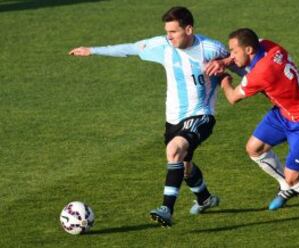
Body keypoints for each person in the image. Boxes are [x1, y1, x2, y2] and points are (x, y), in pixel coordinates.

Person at [69, 6, 229, 227]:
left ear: (189, 29)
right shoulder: (162, 46)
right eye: (167, 31)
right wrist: (93, 50)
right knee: (184, 166)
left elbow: (241, 65)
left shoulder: (211, 49)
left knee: (174, 151)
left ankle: (166, 209)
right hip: (173, 118)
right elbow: (131, 48)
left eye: (173, 31)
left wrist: (229, 65)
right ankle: (205, 198)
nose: (168, 36)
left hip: (201, 114)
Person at [206, 28, 299, 230]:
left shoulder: (261, 73)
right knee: (254, 148)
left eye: (234, 52)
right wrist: (226, 61)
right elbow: (253, 47)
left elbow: (232, 97)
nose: (231, 55)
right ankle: (287, 187)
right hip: (283, 112)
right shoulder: (268, 45)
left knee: (294, 176)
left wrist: (223, 79)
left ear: (248, 49)